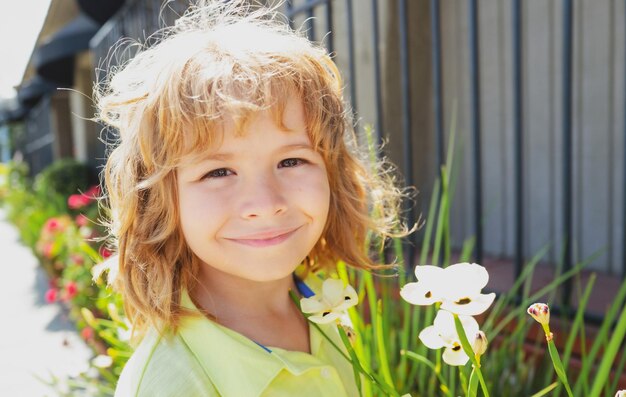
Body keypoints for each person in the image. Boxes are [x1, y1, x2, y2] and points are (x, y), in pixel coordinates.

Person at [96, 1, 410, 395]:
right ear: (159, 202)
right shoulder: (172, 382)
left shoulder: (321, 301)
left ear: (332, 172)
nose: (265, 203)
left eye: (292, 160)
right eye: (218, 172)